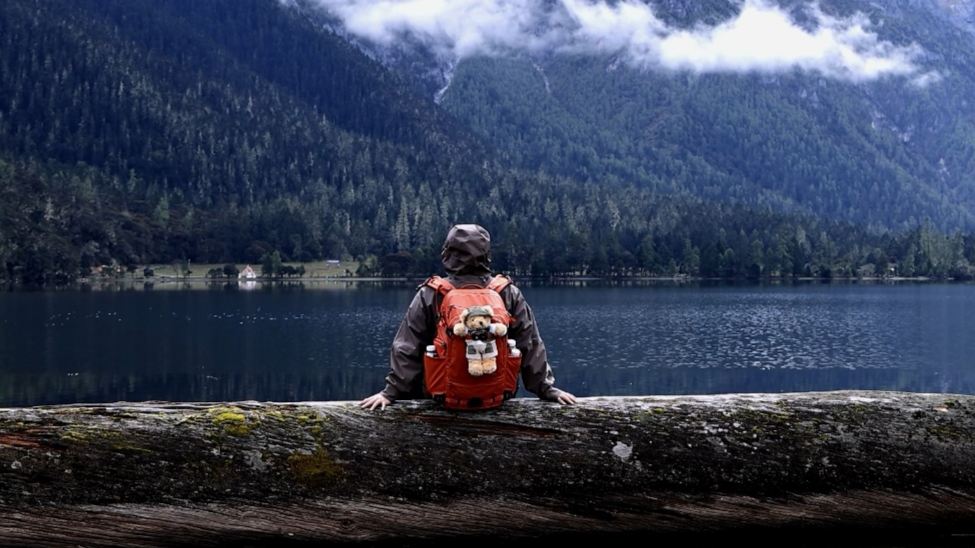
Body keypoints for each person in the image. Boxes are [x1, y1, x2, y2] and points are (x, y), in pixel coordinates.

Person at [360, 224, 577, 410]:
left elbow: (407, 346)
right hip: (497, 399)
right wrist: (546, 388)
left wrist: (390, 393)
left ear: (447, 253)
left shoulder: (432, 292)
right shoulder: (506, 291)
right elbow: (530, 344)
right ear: (486, 255)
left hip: (441, 401)